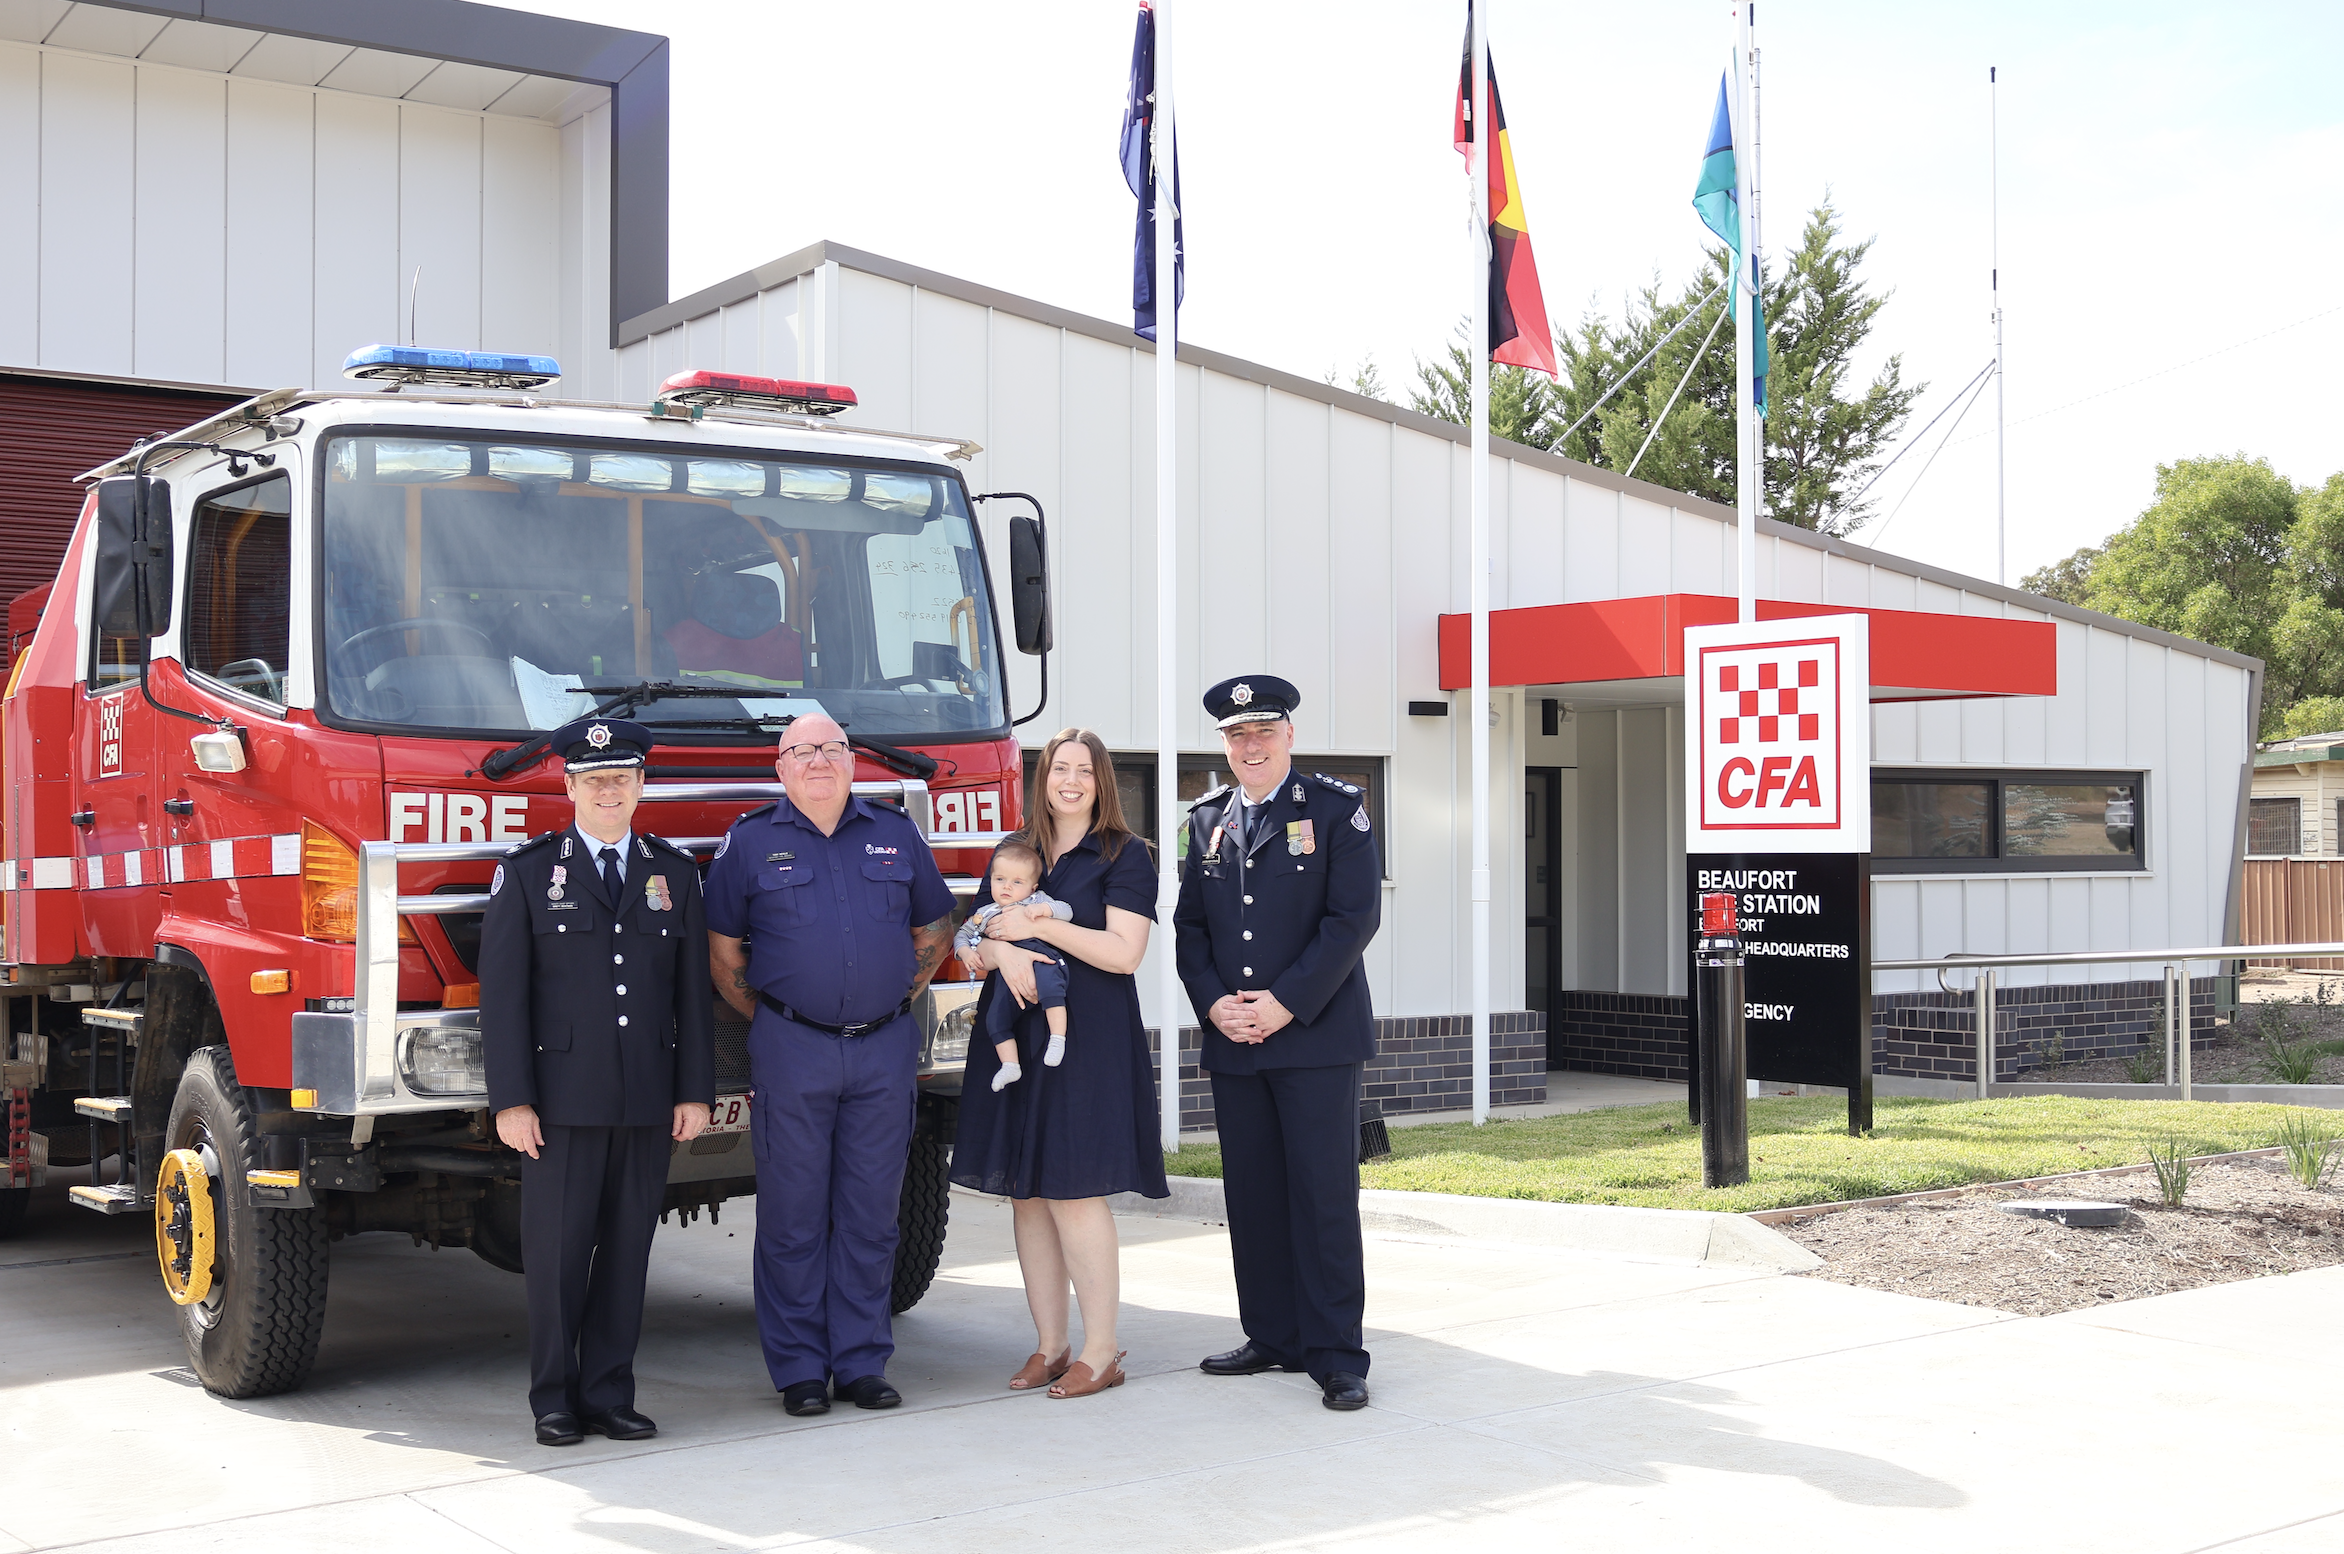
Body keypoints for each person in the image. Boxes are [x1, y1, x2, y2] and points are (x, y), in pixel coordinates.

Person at [704, 714, 958, 1417]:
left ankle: (862, 1360)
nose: (820, 760)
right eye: (803, 751)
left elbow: (936, 929)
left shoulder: (896, 831)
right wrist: (784, 1020)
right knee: (793, 1216)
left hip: (883, 1048)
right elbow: (723, 954)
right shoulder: (750, 841)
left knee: (872, 1214)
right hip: (792, 1048)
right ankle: (799, 1370)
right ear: (781, 768)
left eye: (833, 748)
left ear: (852, 762)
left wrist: (890, 998)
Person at [481, 716, 715, 1447]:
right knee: (555, 1257)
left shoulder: (673, 874)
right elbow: (503, 998)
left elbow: (691, 999)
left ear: (642, 785)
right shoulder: (527, 874)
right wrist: (512, 1100)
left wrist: (694, 1091)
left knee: (625, 1253)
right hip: (559, 1105)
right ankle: (553, 1398)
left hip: (646, 1100)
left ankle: (609, 1392)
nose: (608, 790)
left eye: (621, 777)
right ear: (569, 785)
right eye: (594, 779)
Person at [1174, 675, 1382, 1412]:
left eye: (1263, 730)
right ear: (1224, 746)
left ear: (1289, 734)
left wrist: (1284, 1003)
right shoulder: (1204, 821)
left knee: (1323, 1196)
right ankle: (1272, 1335)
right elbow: (1190, 929)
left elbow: (1352, 919)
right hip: (1236, 1040)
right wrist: (1215, 1007)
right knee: (1254, 1194)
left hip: (1315, 1038)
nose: (1250, 744)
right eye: (1236, 735)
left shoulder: (1335, 809)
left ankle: (1335, 1354)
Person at [951, 727, 1169, 1398]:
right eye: (1057, 769)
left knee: (1074, 1192)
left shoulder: (1126, 856)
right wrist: (1003, 952)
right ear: (1041, 781)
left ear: (1102, 781)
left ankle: (1101, 1352)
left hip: (1088, 1040)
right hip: (1014, 1037)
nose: (1069, 780)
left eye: (1083, 769)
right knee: (1029, 1195)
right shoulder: (1020, 851)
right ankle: (1050, 1345)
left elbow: (1122, 953)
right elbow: (973, 944)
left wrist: (1039, 929)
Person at [954, 839, 1075, 1090]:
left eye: (1017, 882)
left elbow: (1067, 910)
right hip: (1006, 976)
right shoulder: (985, 913)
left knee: (1053, 989)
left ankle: (1057, 1038)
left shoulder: (1035, 901)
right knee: (995, 1017)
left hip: (1042, 958)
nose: (1007, 887)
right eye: (1000, 880)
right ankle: (1010, 1065)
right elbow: (962, 935)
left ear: (1032, 887)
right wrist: (965, 952)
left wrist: (1045, 911)